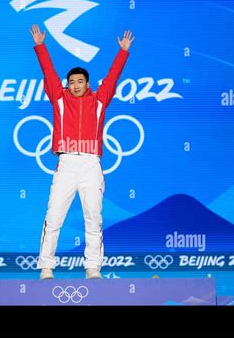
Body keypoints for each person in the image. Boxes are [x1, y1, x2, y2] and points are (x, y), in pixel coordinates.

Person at [30, 24, 134, 279]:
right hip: (66, 164)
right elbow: (49, 71)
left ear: (87, 83)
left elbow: (113, 77)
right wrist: (40, 46)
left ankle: (93, 268)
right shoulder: (59, 98)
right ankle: (46, 266)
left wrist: (122, 52)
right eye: (71, 82)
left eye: (80, 82)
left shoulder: (99, 100)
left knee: (93, 217)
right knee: (53, 216)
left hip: (90, 165)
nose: (75, 86)